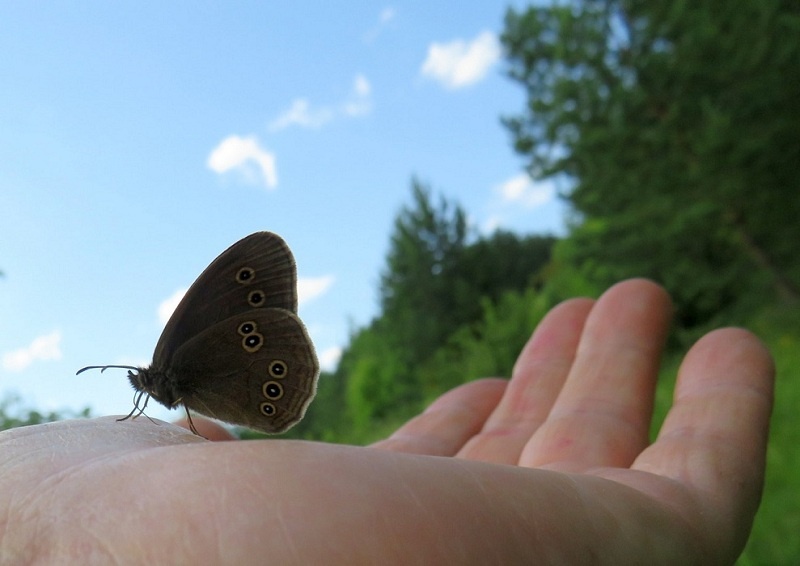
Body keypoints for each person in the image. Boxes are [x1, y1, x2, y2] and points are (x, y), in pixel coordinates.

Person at [0, 279, 774, 563]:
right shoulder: (160, 385)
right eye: (138, 384)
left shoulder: (176, 366)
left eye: (141, 382)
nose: (141, 385)